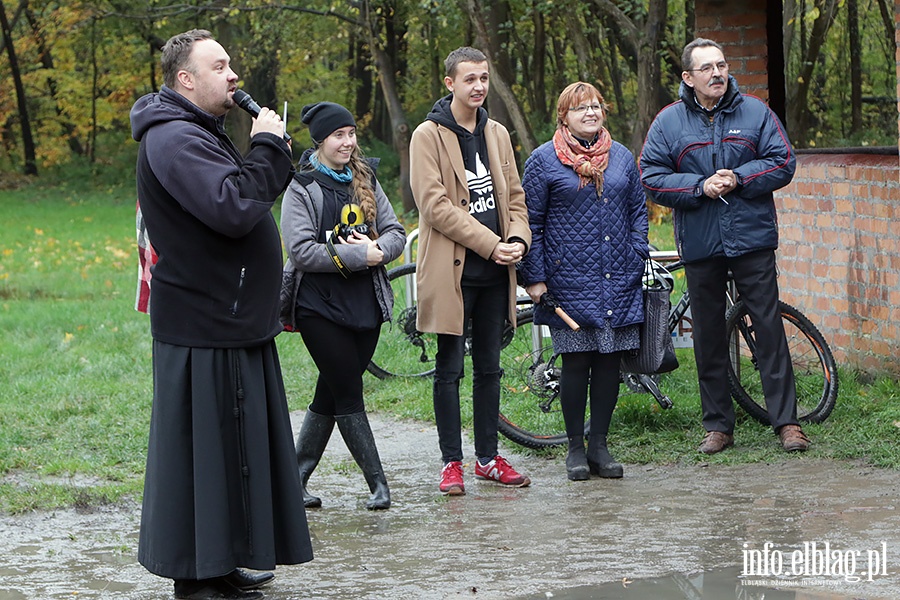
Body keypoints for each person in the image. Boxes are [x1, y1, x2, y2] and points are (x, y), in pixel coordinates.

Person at [130, 29, 312, 600]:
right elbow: (234, 208)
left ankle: (221, 562)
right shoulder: (174, 139)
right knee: (202, 456)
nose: (234, 75)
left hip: (228, 321)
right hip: (204, 325)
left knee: (232, 448)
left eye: (231, 65)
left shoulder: (197, 132)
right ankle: (197, 577)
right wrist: (267, 148)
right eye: (220, 66)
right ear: (186, 79)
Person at [639, 38, 810, 455]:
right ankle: (718, 426)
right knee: (709, 336)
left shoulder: (754, 112)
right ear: (688, 78)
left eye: (722, 65)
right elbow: (651, 175)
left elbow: (782, 161)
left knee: (768, 329)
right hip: (700, 244)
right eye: (707, 68)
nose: (717, 73)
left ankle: (787, 423)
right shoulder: (669, 122)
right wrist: (699, 185)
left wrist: (738, 177)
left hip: (751, 240)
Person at [409, 46, 532, 496]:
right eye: (469, 79)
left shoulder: (497, 132)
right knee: (449, 370)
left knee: (490, 368)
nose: (478, 86)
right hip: (452, 274)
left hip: (496, 274)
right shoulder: (427, 135)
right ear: (450, 84)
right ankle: (451, 463)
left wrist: (517, 239)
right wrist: (491, 243)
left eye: (483, 78)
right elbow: (435, 206)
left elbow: (514, 197)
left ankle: (487, 458)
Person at [519, 82, 649, 481]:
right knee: (576, 364)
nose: (590, 113)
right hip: (568, 282)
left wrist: (637, 251)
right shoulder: (543, 161)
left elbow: (638, 210)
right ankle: (575, 447)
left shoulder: (623, 158)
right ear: (564, 116)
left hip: (618, 277)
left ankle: (600, 445)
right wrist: (535, 278)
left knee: (609, 364)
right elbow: (531, 223)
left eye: (595, 106)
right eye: (580, 109)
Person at [280, 102, 406, 511]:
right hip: (319, 305)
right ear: (320, 140)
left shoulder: (364, 176)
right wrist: (356, 256)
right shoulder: (302, 187)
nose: (348, 142)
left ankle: (294, 477)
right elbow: (300, 251)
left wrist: (378, 252)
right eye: (339, 135)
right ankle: (379, 485)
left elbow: (395, 232)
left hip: (365, 304)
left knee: (331, 390)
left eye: (351, 133)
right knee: (349, 391)